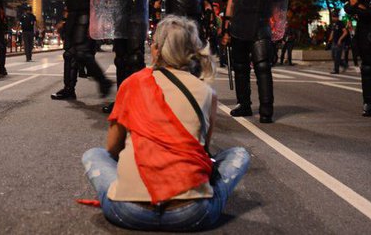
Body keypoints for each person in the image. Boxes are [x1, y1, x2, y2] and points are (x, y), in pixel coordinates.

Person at [82, 16, 250, 231]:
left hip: (128, 212)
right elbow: (204, 150)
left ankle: (131, 188)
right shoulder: (207, 92)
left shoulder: (132, 83)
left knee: (94, 155)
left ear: (156, 49)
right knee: (239, 154)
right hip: (191, 215)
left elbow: (112, 148)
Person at [221, 0, 294, 122]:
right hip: (239, 24)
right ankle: (244, 105)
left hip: (261, 25)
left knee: (263, 67)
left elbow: (280, 0)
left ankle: (266, 110)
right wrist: (226, 29)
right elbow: (231, 1)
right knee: (240, 68)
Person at [89, 0, 148, 113]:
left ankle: (137, 101)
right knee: (122, 60)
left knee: (134, 59)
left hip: (135, 16)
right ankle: (124, 100)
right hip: (120, 17)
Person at [51, 0, 112, 100]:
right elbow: (70, 3)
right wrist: (64, 20)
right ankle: (69, 89)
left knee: (81, 52)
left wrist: (99, 19)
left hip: (84, 16)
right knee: (69, 54)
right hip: (73, 18)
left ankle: (103, 81)